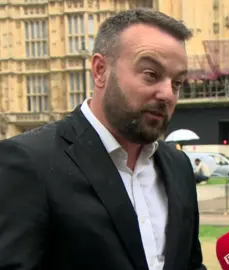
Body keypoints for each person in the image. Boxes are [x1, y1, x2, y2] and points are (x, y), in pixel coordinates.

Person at [0, 8, 206, 270]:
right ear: (100, 71)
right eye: (151, 74)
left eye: (177, 83)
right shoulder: (28, 163)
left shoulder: (178, 167)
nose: (167, 94)